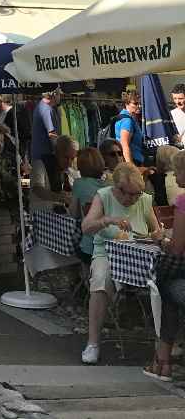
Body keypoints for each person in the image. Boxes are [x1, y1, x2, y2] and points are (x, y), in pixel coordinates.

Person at [79, 161, 163, 364]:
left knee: (166, 280)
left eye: (137, 194)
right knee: (100, 279)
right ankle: (93, 343)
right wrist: (107, 220)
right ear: (117, 188)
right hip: (107, 253)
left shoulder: (143, 199)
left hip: (139, 256)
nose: (132, 199)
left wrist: (157, 234)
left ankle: (165, 343)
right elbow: (86, 227)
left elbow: (155, 230)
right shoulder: (104, 196)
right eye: (129, 194)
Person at [147, 149, 185, 380]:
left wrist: (162, 241)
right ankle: (163, 363)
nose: (174, 174)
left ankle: (163, 363)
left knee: (164, 281)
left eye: (177, 170)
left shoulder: (183, 200)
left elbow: (177, 247)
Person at [67, 147, 106, 262]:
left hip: (89, 246)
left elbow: (73, 214)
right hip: (110, 245)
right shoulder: (108, 183)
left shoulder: (79, 184)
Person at [31, 134, 77, 209]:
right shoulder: (40, 165)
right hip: (42, 215)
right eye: (66, 157)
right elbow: (37, 189)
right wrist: (59, 197)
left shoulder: (70, 171)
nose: (69, 162)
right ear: (56, 153)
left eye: (72, 158)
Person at [32, 90, 62, 191]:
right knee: (52, 187)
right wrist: (60, 152)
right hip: (46, 156)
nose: (60, 96)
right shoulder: (45, 109)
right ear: (53, 94)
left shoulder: (43, 107)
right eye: (59, 94)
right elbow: (52, 134)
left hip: (42, 154)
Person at [113, 89, 146, 167]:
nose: (139, 106)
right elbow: (124, 144)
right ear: (126, 104)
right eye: (135, 103)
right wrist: (131, 167)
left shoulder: (125, 117)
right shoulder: (127, 121)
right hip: (133, 160)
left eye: (140, 103)